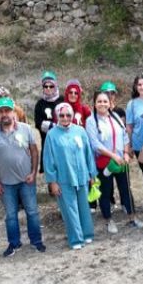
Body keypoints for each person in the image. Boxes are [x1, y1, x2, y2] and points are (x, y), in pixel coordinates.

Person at [0, 97, 44, 257]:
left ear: (13, 111)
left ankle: (36, 241)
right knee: (11, 216)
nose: (4, 114)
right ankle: (14, 243)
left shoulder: (26, 129)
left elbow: (34, 151)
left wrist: (33, 172)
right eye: (1, 111)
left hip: (27, 180)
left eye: (7, 110)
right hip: (5, 183)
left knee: (32, 212)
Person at [42, 102, 97, 250]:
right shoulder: (52, 135)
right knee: (69, 210)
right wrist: (52, 182)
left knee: (84, 207)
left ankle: (87, 234)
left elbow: (88, 154)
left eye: (68, 115)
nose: (65, 118)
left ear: (72, 116)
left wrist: (92, 174)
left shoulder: (80, 131)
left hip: (82, 177)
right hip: (64, 179)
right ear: (57, 116)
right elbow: (48, 160)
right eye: (62, 115)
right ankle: (76, 239)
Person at [87, 91, 142, 234]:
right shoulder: (91, 121)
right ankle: (108, 220)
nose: (102, 104)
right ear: (94, 103)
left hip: (121, 160)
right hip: (104, 162)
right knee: (105, 192)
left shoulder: (115, 117)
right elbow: (95, 144)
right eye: (99, 101)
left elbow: (124, 136)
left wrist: (125, 153)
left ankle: (132, 216)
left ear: (109, 103)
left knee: (126, 189)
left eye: (105, 101)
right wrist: (113, 156)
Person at [125, 75, 143, 190]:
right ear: (136, 87)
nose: (142, 87)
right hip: (140, 146)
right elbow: (129, 126)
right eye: (139, 84)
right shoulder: (132, 104)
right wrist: (130, 146)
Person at [34, 71, 63, 171]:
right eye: (46, 86)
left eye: (51, 86)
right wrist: (55, 127)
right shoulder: (40, 104)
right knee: (51, 175)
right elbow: (38, 123)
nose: (48, 88)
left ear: (55, 86)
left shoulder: (62, 100)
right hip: (47, 142)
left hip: (63, 142)